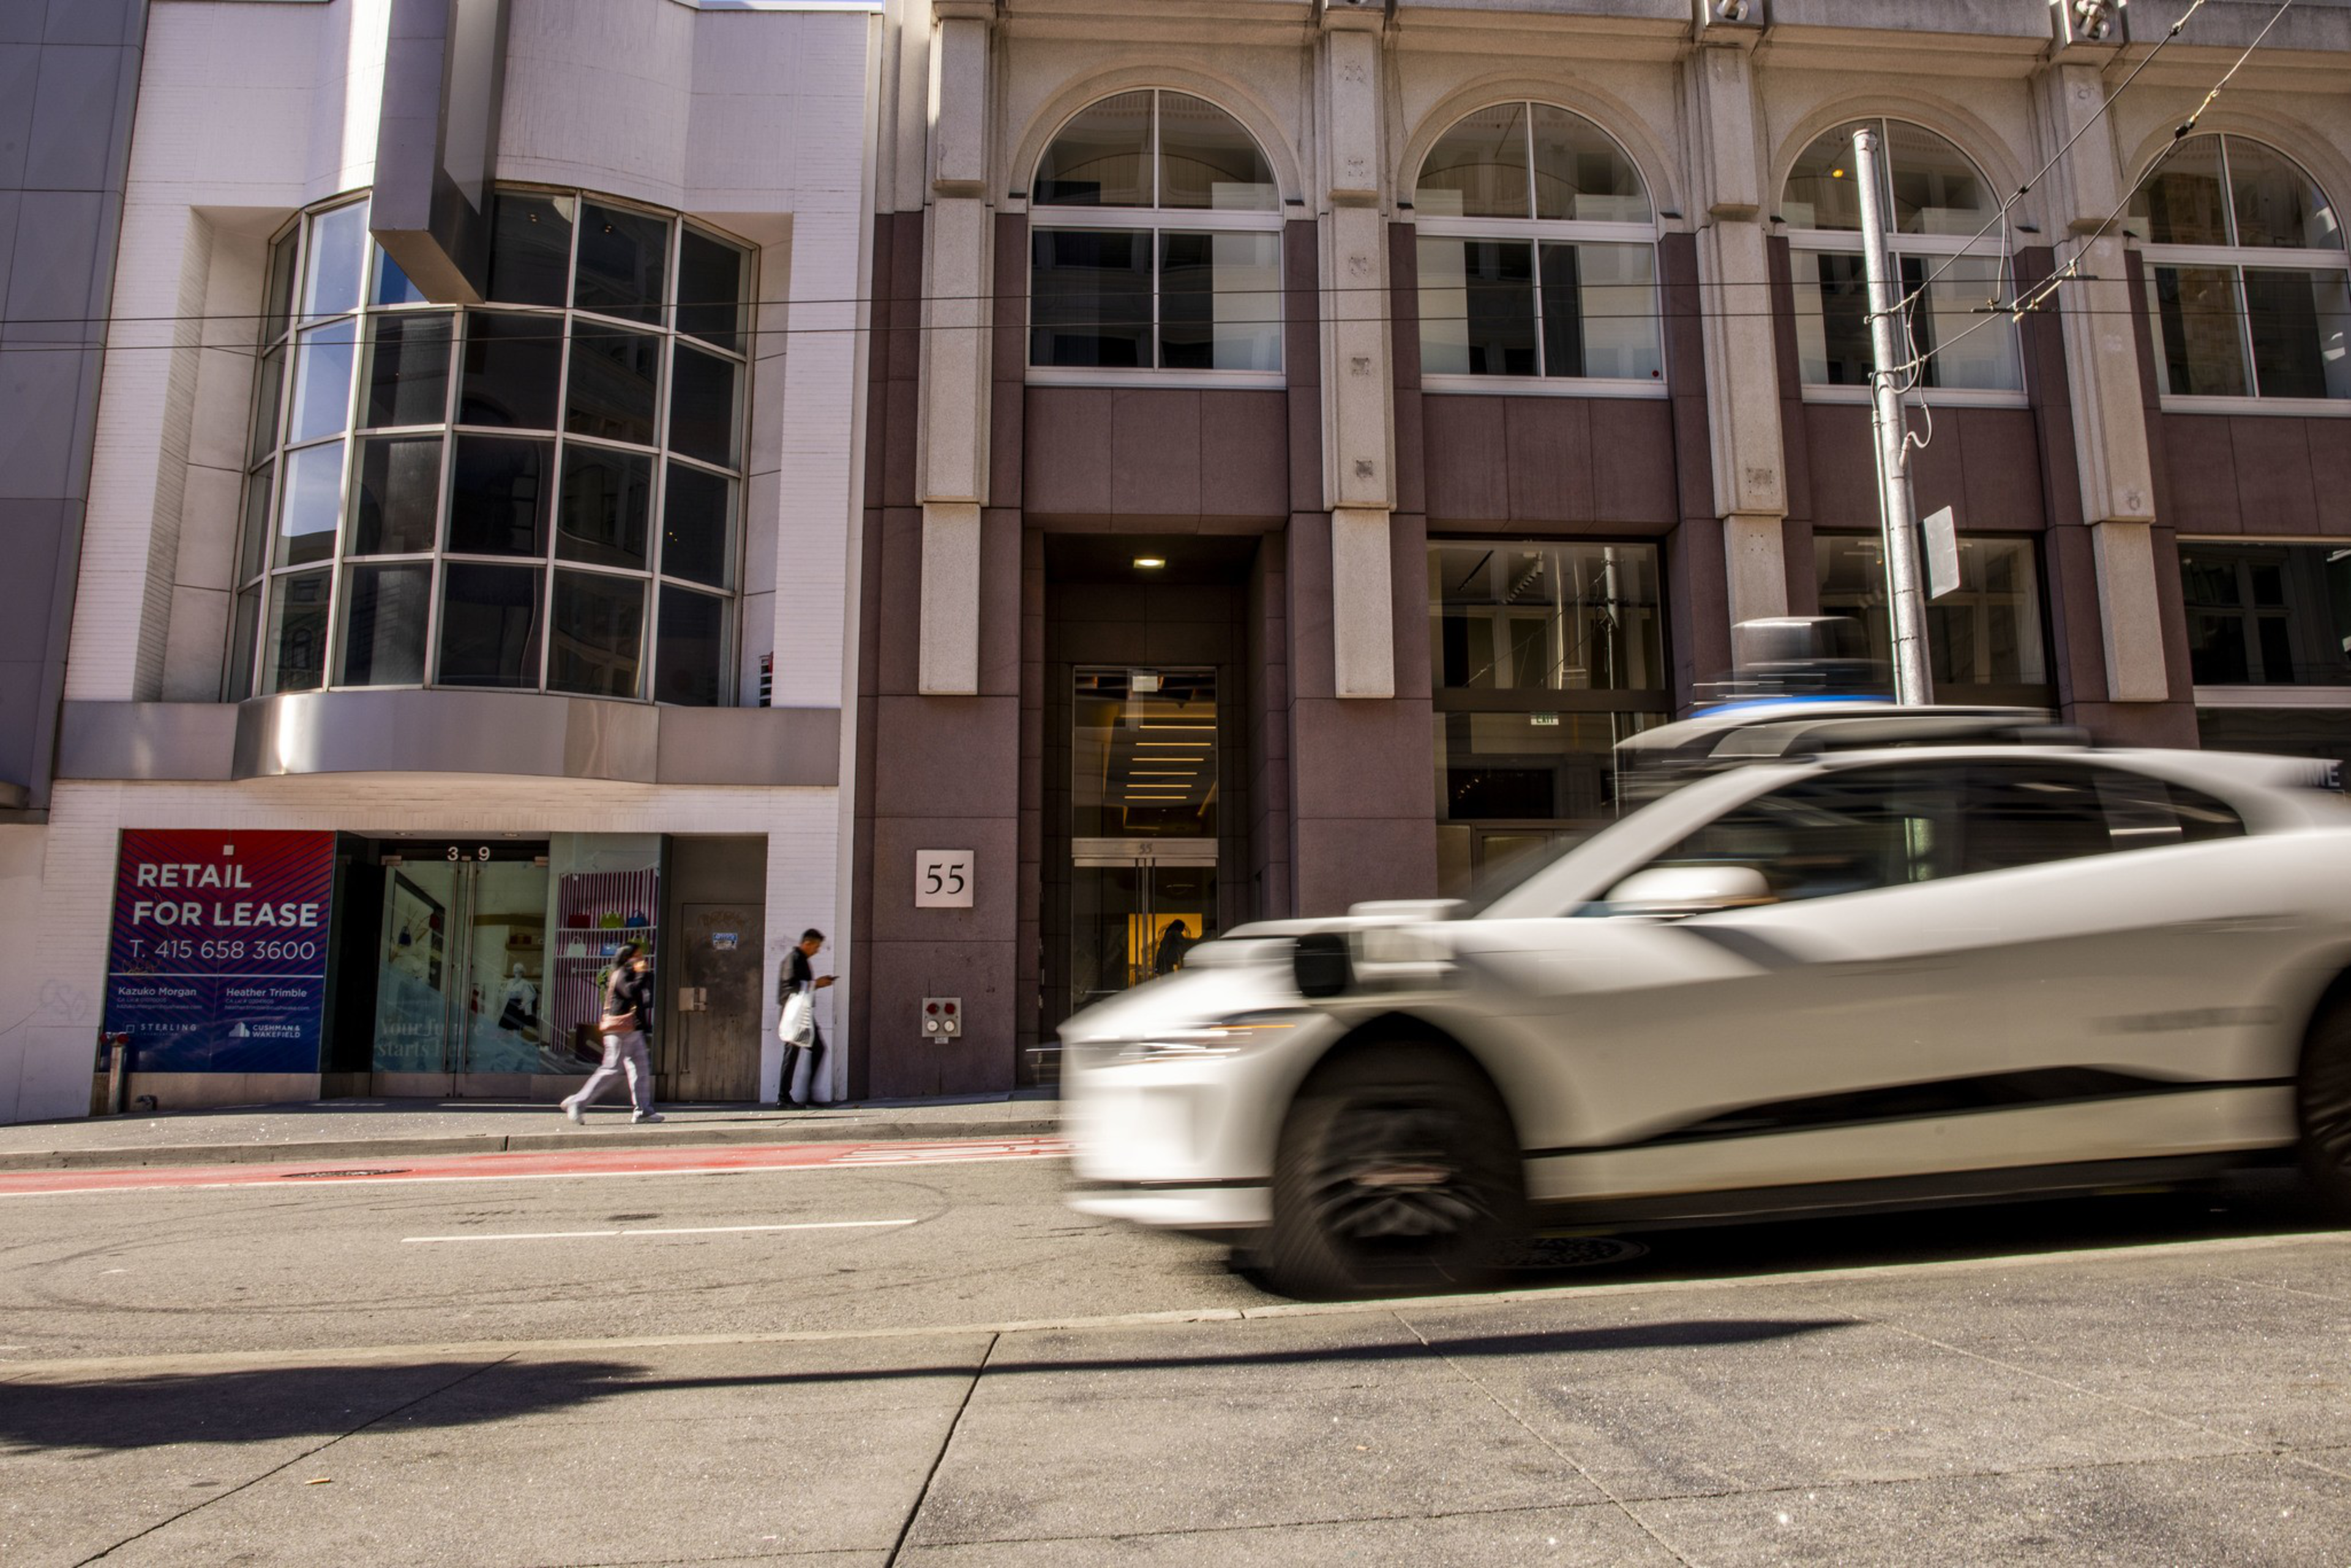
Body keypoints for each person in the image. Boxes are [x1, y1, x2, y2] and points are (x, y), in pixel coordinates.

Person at [562, 943, 661, 1125]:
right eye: (636, 956)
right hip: (619, 1031)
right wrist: (642, 974)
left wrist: (645, 976)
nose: (641, 959)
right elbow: (630, 992)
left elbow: (646, 1001)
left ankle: (644, 1111)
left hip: (634, 1030)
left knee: (641, 1070)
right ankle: (577, 1102)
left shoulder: (635, 975)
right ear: (626, 957)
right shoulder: (620, 974)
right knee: (611, 1069)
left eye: (641, 956)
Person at [778, 928, 834, 1108]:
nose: (817, 950)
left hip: (803, 1013)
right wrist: (816, 983)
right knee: (792, 1053)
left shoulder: (801, 960)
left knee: (817, 1049)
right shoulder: (793, 959)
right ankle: (784, 1098)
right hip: (794, 1014)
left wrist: (817, 984)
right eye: (816, 946)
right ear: (807, 943)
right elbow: (791, 986)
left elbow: (801, 986)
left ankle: (806, 1095)